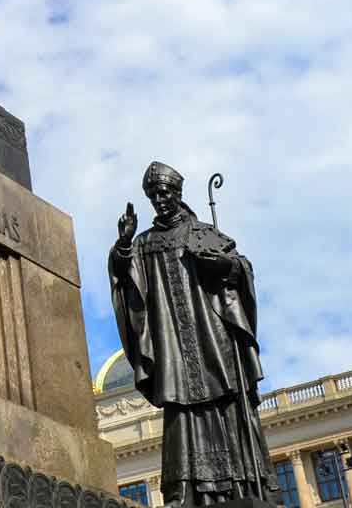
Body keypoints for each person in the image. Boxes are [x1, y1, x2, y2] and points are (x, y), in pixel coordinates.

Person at [110, 162, 275, 506]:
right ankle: (185, 487)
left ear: (178, 193)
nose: (160, 200)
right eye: (153, 196)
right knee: (181, 408)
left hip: (211, 333)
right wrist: (123, 245)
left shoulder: (203, 233)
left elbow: (241, 268)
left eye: (165, 193)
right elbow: (126, 279)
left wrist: (225, 267)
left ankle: (242, 483)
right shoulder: (145, 243)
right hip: (172, 338)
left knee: (226, 398)